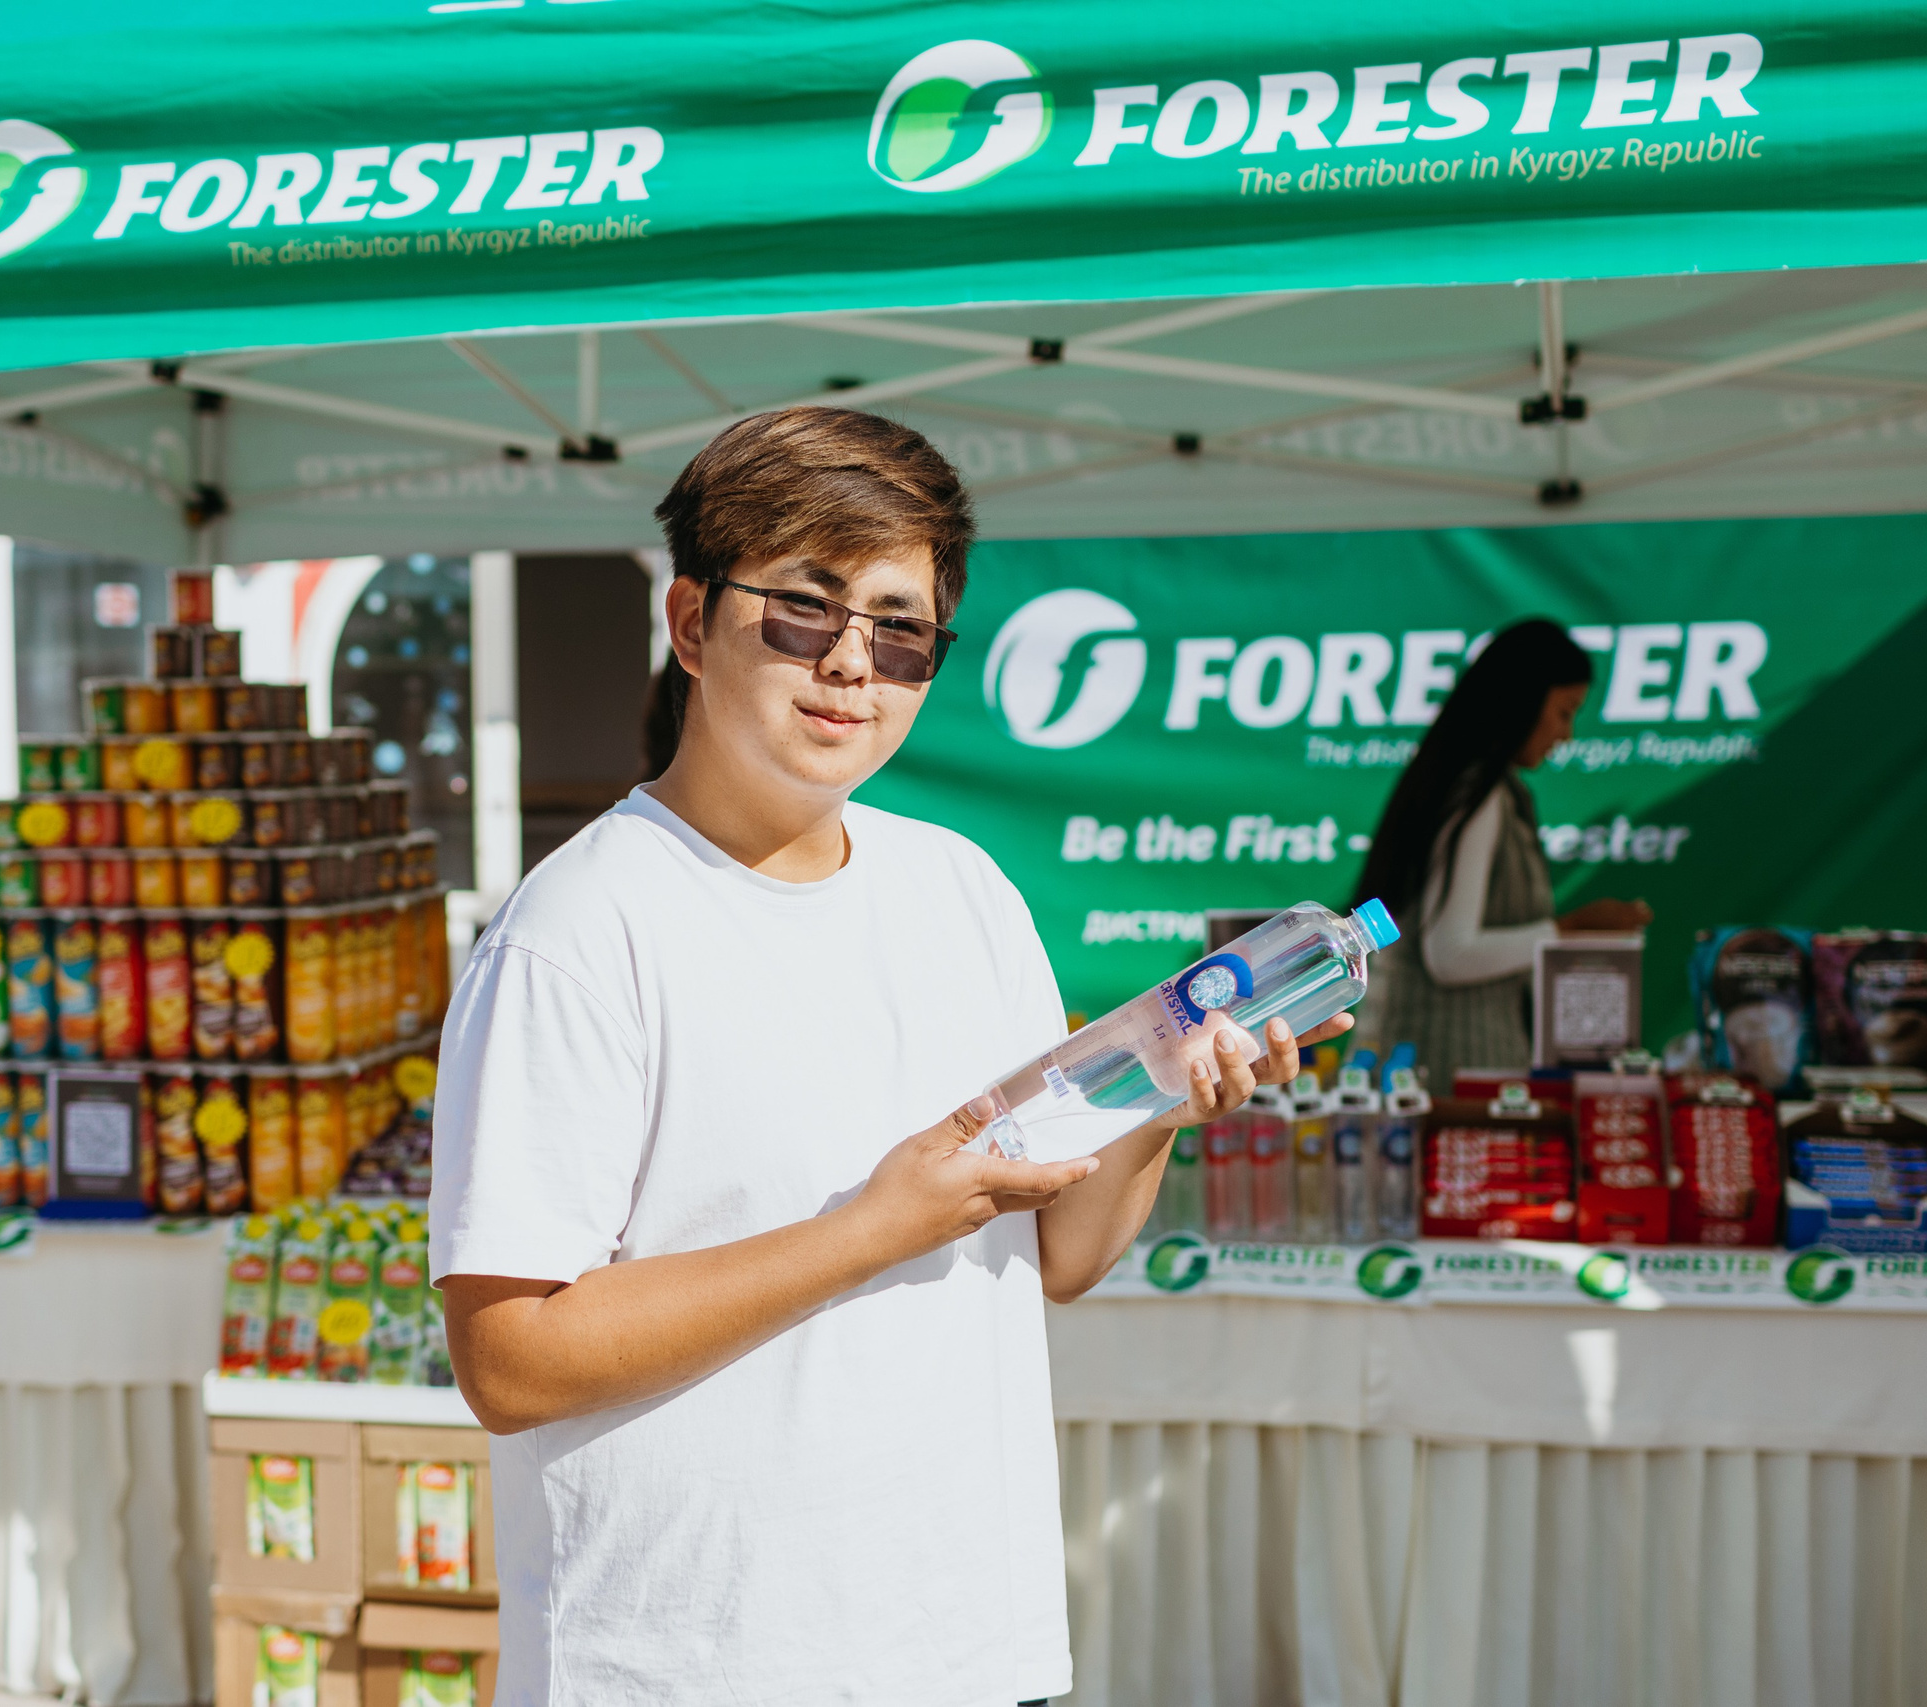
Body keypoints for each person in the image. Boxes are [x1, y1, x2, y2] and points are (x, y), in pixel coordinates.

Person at [429, 405, 1348, 1707]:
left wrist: (1157, 1106)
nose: (851, 661)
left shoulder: (962, 889)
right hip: (695, 1667)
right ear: (691, 623)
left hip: (971, 1648)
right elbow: (510, 1356)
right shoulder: (583, 927)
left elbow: (1062, 1255)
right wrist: (873, 1224)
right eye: (804, 606)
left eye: (900, 626)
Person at [1350, 618, 1650, 1087]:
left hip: (1425, 1078)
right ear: (1523, 702)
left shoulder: (1476, 789)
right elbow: (1450, 953)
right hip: (1445, 1084)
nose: (1566, 735)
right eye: (1564, 712)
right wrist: (1572, 929)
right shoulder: (1478, 796)